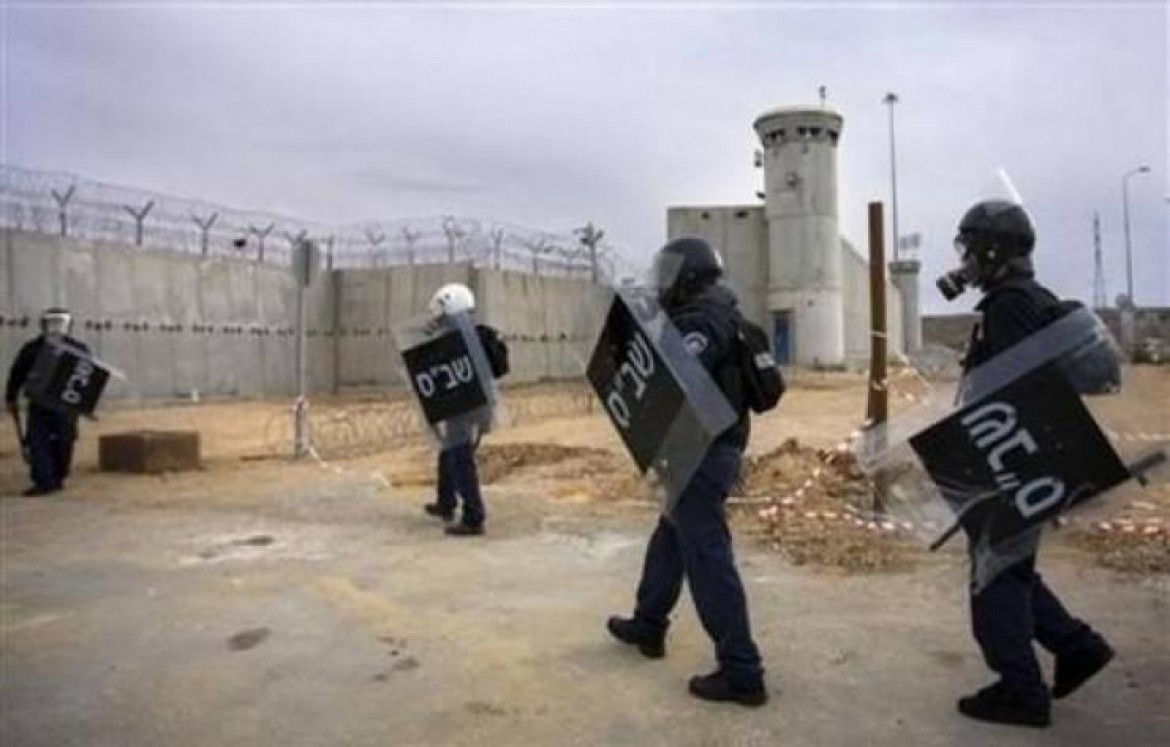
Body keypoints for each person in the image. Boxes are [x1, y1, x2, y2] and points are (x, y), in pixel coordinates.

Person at [942, 200, 1115, 728]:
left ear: (994, 252)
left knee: (996, 579)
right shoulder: (1027, 298)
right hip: (1021, 459)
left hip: (1011, 462)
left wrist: (1002, 468)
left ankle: (1021, 692)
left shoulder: (1009, 306)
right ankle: (1078, 647)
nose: (966, 260)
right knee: (1011, 569)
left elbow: (1017, 389)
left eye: (972, 249)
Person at [606, 236, 767, 707]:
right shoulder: (717, 312)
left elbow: (678, 375)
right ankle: (649, 624)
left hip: (704, 453)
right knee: (670, 537)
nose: (663, 282)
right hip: (698, 451)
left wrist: (641, 335)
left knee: (707, 556)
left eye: (669, 273)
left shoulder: (702, 320)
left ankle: (742, 670)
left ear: (688, 275)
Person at [420, 283, 509, 537]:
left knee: (460, 460)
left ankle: (473, 517)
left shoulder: (462, 340)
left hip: (466, 407)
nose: (439, 320)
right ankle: (446, 502)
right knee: (449, 454)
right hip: (470, 406)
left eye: (442, 314)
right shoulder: (471, 336)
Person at [5, 308, 89, 496]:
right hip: (39, 404)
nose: (55, 327)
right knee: (38, 442)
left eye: (59, 323)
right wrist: (11, 397)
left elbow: (87, 377)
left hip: (65, 406)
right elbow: (17, 373)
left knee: (64, 442)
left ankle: (58, 475)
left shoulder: (78, 349)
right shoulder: (32, 349)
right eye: (52, 323)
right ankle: (44, 481)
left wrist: (83, 403)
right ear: (43, 325)